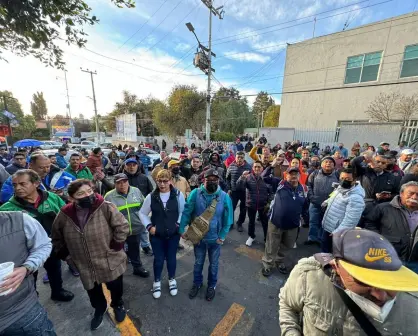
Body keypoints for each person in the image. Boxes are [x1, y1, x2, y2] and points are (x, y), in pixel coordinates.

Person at [279, 228, 418, 335]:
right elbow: (288, 305)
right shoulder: (308, 275)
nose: (380, 295)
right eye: (364, 281)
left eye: (390, 283)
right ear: (336, 266)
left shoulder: (413, 305)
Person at [52, 179, 130, 330]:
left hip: (109, 259)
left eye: (89, 191)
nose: (87, 195)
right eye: (81, 193)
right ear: (72, 198)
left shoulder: (105, 207)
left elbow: (122, 226)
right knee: (93, 291)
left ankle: (117, 305)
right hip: (83, 263)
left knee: (115, 286)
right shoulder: (65, 214)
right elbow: (56, 237)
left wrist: (116, 244)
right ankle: (99, 310)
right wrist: (67, 257)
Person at [0, 169, 75, 301]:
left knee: (55, 270)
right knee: (29, 276)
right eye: (15, 185)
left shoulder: (53, 198)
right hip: (24, 253)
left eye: (23, 184)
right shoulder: (7, 209)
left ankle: (57, 291)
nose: (17, 188)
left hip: (52, 246)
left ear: (36, 183)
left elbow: (67, 218)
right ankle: (32, 297)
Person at [0, 211, 57, 336]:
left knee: (55, 272)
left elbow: (44, 244)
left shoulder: (18, 220)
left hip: (22, 311)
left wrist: (26, 267)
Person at [180, 168, 233, 301]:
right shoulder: (195, 193)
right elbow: (187, 212)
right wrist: (182, 229)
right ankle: (197, 284)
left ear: (219, 181)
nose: (212, 182)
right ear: (204, 180)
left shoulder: (225, 197)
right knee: (198, 263)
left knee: (214, 264)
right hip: (198, 238)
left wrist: (222, 236)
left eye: (215, 180)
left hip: (215, 240)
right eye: (209, 180)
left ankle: (212, 286)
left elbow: (228, 219)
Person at [139, 169, 185, 299]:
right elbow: (142, 213)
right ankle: (157, 281)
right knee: (158, 260)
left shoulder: (178, 195)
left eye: (165, 181)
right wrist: (149, 227)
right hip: (157, 235)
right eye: (160, 181)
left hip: (173, 235)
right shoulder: (151, 196)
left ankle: (172, 279)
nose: (162, 184)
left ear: (170, 181)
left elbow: (183, 211)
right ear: (156, 181)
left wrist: (177, 224)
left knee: (171, 258)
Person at [261, 167, 308, 276]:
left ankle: (279, 261)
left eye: (296, 174)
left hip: (293, 225)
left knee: (287, 245)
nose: (293, 176)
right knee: (271, 245)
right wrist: (272, 166)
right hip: (276, 223)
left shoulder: (303, 189)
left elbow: (305, 205)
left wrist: (305, 218)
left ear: (299, 176)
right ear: (286, 175)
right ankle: (268, 264)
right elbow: (263, 177)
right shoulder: (280, 184)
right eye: (291, 174)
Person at [365, 181, 418, 273]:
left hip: (415, 261)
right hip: (389, 257)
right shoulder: (384, 208)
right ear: (401, 194)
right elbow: (369, 223)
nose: (414, 197)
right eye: (410, 193)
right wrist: (379, 239)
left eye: (417, 195)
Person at [104, 173, 150, 277]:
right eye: (119, 183)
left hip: (135, 228)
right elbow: (105, 215)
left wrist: (145, 222)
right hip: (118, 231)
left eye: (124, 182)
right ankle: (118, 272)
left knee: (134, 249)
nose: (122, 185)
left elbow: (144, 207)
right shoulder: (109, 196)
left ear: (128, 182)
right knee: (119, 251)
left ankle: (137, 268)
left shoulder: (136, 191)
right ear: (115, 184)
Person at [321, 169, 365, 252]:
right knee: (325, 251)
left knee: (333, 255)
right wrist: (327, 202)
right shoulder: (340, 188)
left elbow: (351, 220)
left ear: (354, 181)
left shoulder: (356, 198)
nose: (344, 181)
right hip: (328, 226)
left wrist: (338, 232)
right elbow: (334, 196)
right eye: (342, 178)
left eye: (348, 179)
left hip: (337, 232)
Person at [351, 151, 401, 225]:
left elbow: (397, 193)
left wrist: (388, 196)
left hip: (380, 208)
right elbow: (353, 162)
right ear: (372, 161)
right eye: (377, 161)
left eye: (383, 163)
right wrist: (365, 158)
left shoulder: (392, 177)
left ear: (386, 165)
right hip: (362, 206)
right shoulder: (364, 172)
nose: (380, 164)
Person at [1, 154, 75, 203]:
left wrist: (64, 195)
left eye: (48, 166)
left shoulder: (64, 176)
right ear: (31, 165)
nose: (46, 170)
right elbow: (5, 197)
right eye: (41, 167)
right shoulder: (16, 178)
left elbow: (78, 190)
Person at [306, 156, 339, 246]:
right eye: (326, 162)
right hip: (314, 203)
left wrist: (331, 201)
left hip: (330, 204)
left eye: (330, 162)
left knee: (324, 222)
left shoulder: (337, 175)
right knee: (313, 221)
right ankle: (312, 238)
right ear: (321, 164)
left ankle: (321, 239)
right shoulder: (314, 174)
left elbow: (339, 190)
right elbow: (308, 186)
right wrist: (312, 197)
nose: (328, 163)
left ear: (334, 165)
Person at [237, 161, 270, 246]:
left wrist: (269, 201)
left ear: (262, 168)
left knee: (265, 222)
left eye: (259, 167)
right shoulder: (247, 177)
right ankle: (251, 236)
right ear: (252, 168)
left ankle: (267, 239)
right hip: (251, 204)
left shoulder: (265, 178)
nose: (257, 168)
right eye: (255, 167)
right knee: (251, 222)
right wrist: (242, 177)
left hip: (263, 204)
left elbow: (271, 190)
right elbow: (239, 187)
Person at [226, 151, 252, 232]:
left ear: (244, 158)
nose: (240, 159)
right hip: (233, 191)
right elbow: (227, 179)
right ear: (235, 158)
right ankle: (230, 223)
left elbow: (251, 180)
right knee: (231, 208)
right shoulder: (231, 166)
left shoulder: (248, 167)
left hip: (244, 192)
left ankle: (240, 223)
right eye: (238, 157)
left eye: (241, 157)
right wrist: (229, 188)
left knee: (243, 209)